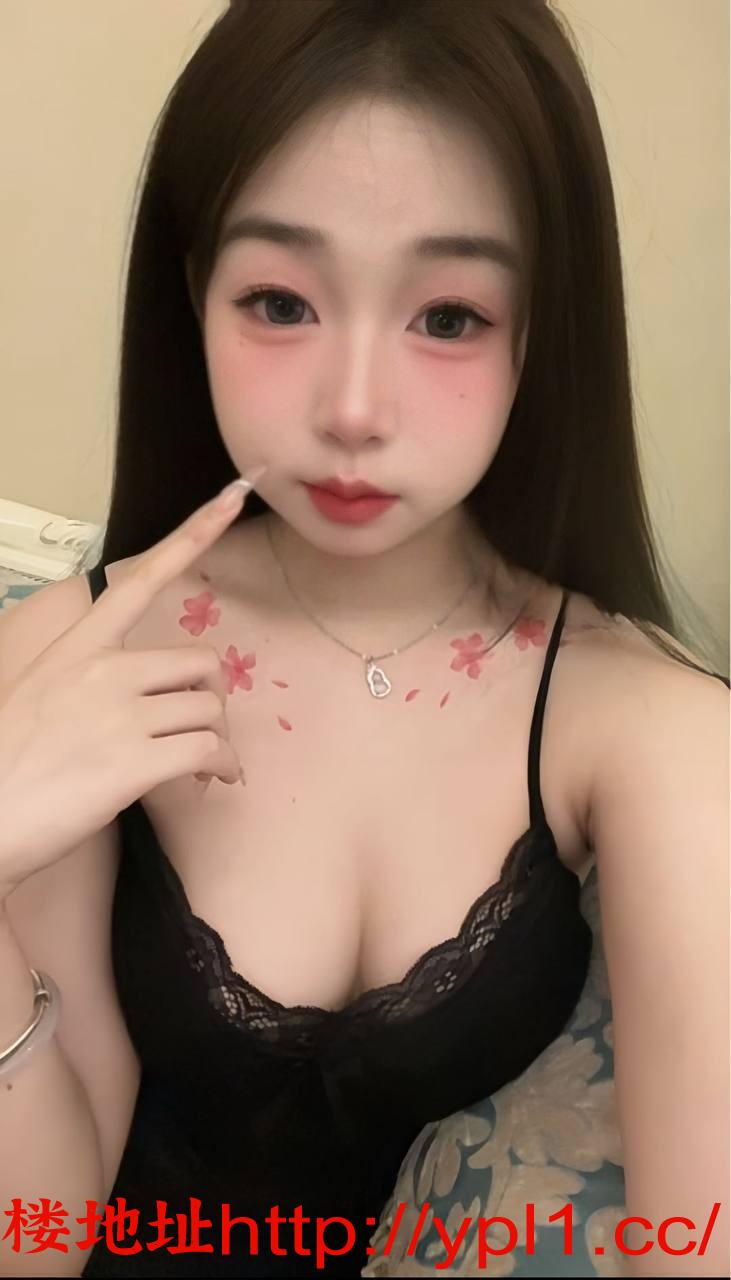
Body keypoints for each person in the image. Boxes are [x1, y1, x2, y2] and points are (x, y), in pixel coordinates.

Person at [0, 2, 728, 1277]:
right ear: (193, 292)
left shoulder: (644, 724)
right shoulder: (76, 656)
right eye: (279, 301)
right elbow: (33, 1236)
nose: (351, 408)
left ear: (538, 329)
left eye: (446, 316)